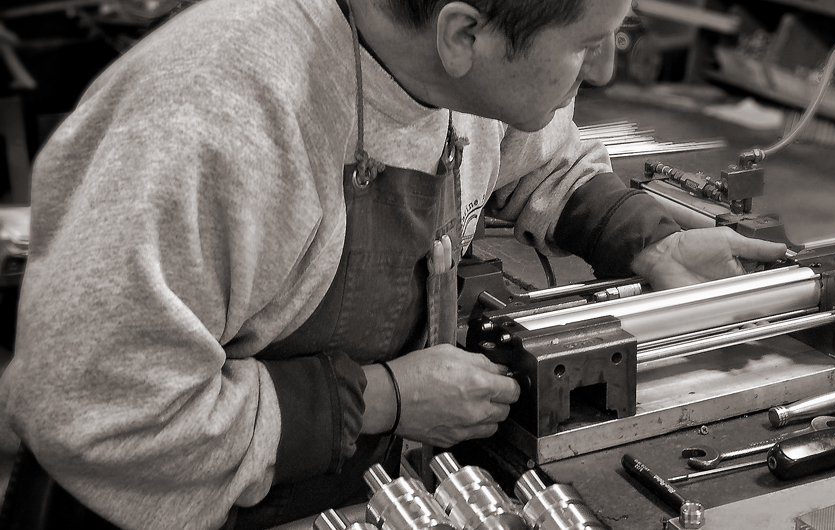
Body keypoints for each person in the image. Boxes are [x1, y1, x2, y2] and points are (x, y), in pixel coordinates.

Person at [0, 0, 788, 528]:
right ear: (462, 35)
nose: (608, 72)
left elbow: (534, 154)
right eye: (588, 46)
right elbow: (100, 415)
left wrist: (647, 237)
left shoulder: (449, 64)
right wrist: (382, 398)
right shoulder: (214, 122)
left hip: (346, 490)